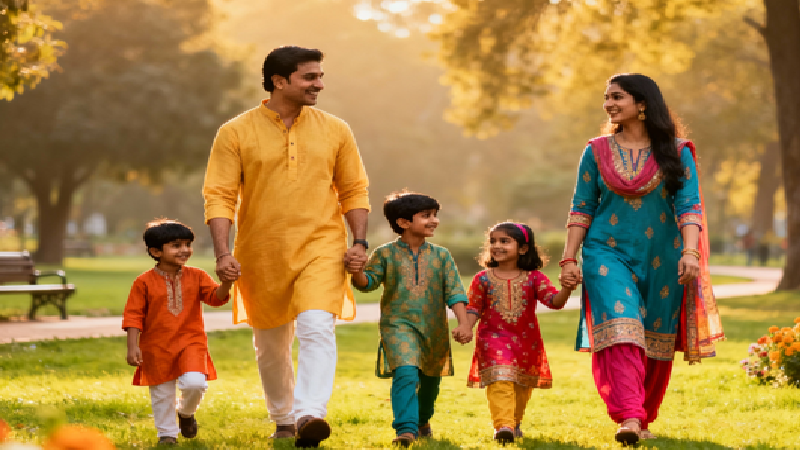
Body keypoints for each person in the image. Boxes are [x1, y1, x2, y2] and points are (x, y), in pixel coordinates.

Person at [202, 45, 370, 447]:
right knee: (272, 344)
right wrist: (224, 253)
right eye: (309, 77)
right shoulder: (235, 132)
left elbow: (354, 189)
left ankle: (310, 413)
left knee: (315, 326)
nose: (319, 84)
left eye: (320, 76)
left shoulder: (336, 129)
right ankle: (282, 416)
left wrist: (359, 241)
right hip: (261, 249)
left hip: (322, 245)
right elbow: (219, 195)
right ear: (279, 81)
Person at [559, 73, 724, 445]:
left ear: (643, 103)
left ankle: (644, 414)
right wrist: (569, 259)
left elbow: (689, 205)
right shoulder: (596, 149)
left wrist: (690, 252)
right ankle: (630, 416)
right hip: (605, 250)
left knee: (655, 338)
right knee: (622, 327)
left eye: (617, 97)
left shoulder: (677, 151)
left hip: (662, 255)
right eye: (606, 98)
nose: (609, 104)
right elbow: (581, 207)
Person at [350, 191, 471, 448]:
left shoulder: (441, 256)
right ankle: (406, 429)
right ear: (403, 222)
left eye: (435, 215)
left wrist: (463, 323)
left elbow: (455, 291)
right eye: (426, 216)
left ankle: (422, 420)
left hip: (434, 328)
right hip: (397, 326)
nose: (434, 220)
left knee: (429, 380)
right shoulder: (385, 254)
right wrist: (357, 271)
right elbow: (367, 284)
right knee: (405, 372)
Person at [122, 219, 235, 446]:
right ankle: (167, 435)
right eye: (176, 245)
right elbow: (134, 315)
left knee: (195, 383)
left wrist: (226, 283)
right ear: (155, 251)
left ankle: (185, 413)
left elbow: (215, 298)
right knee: (162, 394)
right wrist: (132, 346)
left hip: (191, 342)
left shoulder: (197, 275)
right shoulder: (143, 282)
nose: (185, 250)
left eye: (187, 244)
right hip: (156, 346)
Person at [463, 222, 576, 444]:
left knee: (521, 386)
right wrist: (466, 326)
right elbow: (473, 307)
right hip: (492, 339)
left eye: (504, 241)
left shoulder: (534, 277)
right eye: (493, 241)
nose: (497, 245)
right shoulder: (482, 279)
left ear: (523, 249)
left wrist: (567, 289)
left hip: (526, 342)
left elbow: (554, 302)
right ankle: (502, 426)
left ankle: (513, 423)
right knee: (500, 380)